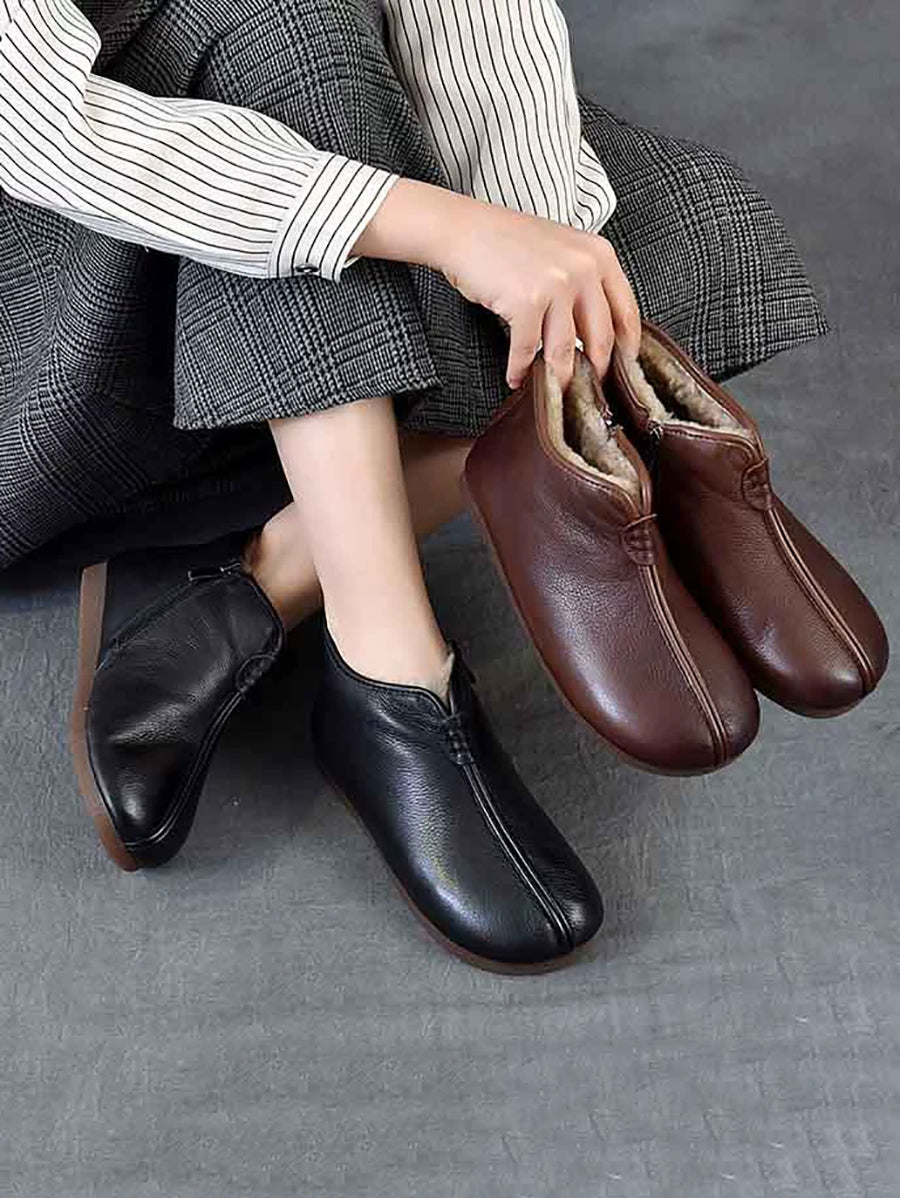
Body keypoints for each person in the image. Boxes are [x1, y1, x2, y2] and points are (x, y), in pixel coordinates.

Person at [0, 0, 829, 971]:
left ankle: (270, 576)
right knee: (285, 36)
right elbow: (40, 125)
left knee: (660, 236)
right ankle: (390, 667)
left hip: (240, 274)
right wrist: (446, 231)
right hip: (52, 284)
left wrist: (532, 259)